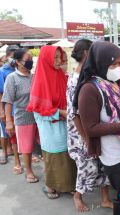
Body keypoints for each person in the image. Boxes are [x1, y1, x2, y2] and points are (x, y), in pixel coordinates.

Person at [73, 41, 120, 215]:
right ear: (100, 62)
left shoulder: (111, 83)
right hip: (115, 155)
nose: (118, 67)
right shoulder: (89, 89)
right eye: (113, 64)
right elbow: (90, 128)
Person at [67, 39, 113, 212]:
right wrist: (86, 138)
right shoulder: (75, 81)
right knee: (87, 167)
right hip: (81, 133)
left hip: (93, 129)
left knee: (102, 163)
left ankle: (105, 198)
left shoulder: (90, 77)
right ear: (87, 54)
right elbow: (74, 113)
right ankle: (77, 195)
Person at [27, 45, 77, 199]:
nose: (58, 61)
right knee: (54, 158)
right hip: (50, 128)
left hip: (65, 124)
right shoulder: (40, 81)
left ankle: (68, 186)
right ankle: (51, 186)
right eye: (54, 58)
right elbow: (38, 110)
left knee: (67, 158)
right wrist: (60, 112)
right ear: (46, 59)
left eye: (59, 57)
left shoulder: (61, 76)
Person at [2, 48, 39, 181]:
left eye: (31, 60)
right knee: (26, 146)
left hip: (38, 116)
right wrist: (8, 121)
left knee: (41, 143)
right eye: (27, 60)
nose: (30, 62)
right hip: (22, 117)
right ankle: (29, 171)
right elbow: (8, 101)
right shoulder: (12, 78)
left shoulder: (34, 76)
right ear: (17, 62)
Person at [0, 45, 19, 165]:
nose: (15, 59)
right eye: (13, 56)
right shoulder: (2, 71)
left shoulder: (17, 69)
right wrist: (1, 111)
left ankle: (13, 150)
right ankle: (4, 153)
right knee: (4, 131)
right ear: (7, 57)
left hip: (17, 107)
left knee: (14, 131)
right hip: (6, 107)